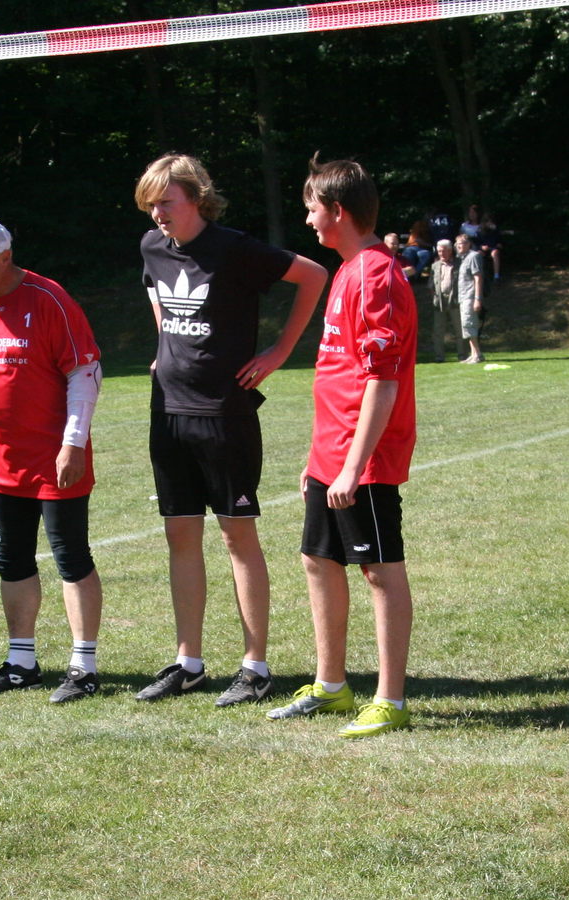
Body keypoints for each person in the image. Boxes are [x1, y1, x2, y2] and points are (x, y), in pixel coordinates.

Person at [131, 155, 326, 706]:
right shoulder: (152, 247)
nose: (158, 214)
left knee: (237, 535)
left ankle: (255, 667)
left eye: (166, 202)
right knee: (179, 534)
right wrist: (164, 347)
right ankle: (188, 663)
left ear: (196, 198)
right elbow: (156, 292)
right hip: (168, 411)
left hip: (224, 412)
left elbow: (314, 275)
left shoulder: (235, 248)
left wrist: (280, 351)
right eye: (151, 205)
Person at [266, 155, 417, 739]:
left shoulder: (377, 275)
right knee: (318, 560)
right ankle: (331, 686)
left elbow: (383, 381)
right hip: (331, 454)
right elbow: (339, 375)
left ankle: (390, 699)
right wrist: (320, 462)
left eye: (313, 209)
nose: (308, 220)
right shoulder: (347, 271)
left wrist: (353, 467)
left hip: (365, 459)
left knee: (379, 570)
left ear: (338, 210)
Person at [0, 217, 106, 704]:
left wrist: (73, 443)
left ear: (4, 257)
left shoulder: (49, 299)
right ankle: (21, 663)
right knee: (10, 560)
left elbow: (85, 372)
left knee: (71, 557)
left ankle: (83, 667)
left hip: (55, 460)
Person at [454, 232, 486, 364]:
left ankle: (477, 354)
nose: (458, 246)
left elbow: (478, 278)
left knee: (470, 324)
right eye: (457, 244)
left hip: (470, 296)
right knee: (466, 326)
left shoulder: (474, 256)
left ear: (468, 244)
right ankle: (473, 354)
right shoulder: (462, 258)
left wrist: (477, 298)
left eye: (461, 244)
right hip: (463, 297)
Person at [428, 238, 459, 363]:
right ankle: (439, 356)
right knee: (438, 330)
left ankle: (462, 355)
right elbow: (431, 284)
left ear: (450, 251)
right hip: (439, 301)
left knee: (459, 329)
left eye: (444, 251)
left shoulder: (458, 264)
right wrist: (434, 298)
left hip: (455, 300)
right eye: (439, 251)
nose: (441, 253)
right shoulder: (435, 265)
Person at [464, 204, 502, 280]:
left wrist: (498, 244)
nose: (489, 223)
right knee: (478, 254)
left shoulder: (495, 230)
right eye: (487, 222)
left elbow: (498, 239)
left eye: (491, 222)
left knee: (495, 253)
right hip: (482, 248)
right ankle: (480, 274)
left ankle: (496, 276)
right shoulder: (480, 230)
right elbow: (477, 241)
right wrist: (481, 247)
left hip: (493, 248)